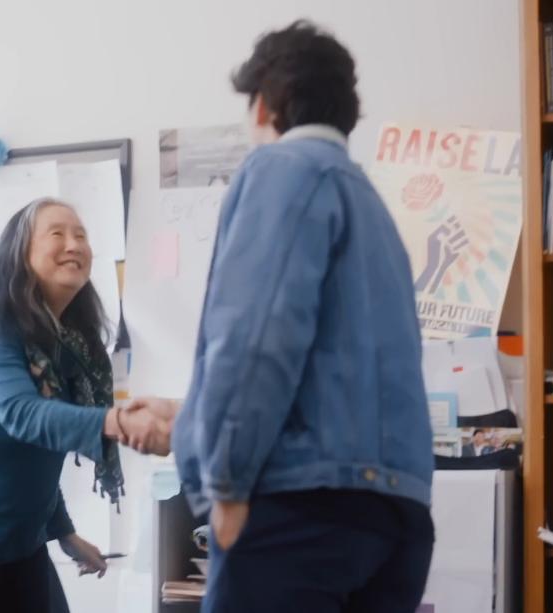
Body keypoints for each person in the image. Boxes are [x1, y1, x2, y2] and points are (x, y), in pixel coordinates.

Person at [133, 20, 435, 613]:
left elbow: (256, 338)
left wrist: (223, 485)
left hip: (301, 512)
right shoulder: (371, 205)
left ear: (264, 105)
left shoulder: (282, 169)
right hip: (395, 519)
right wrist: (193, 417)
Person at [0, 198, 170, 613]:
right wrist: (117, 422)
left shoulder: (67, 345)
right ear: (20, 254)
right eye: (57, 234)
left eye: (81, 236)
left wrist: (63, 532)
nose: (74, 245)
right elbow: (24, 416)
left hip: (17, 544)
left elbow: (36, 451)